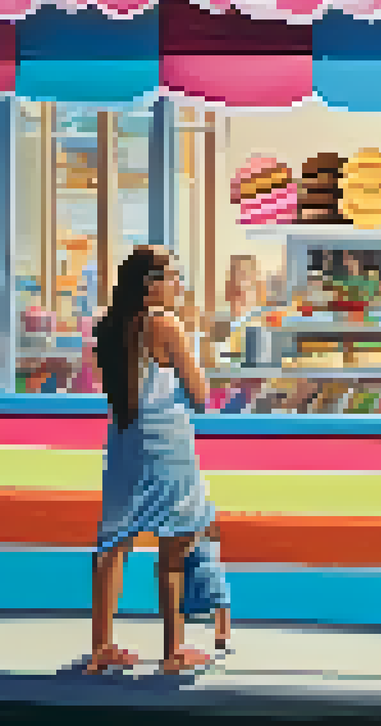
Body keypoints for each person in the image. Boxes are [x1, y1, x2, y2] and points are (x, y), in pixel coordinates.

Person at [87, 246, 227, 674]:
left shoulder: (112, 327)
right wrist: (198, 341)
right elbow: (201, 395)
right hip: (168, 443)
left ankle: (101, 647)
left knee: (114, 542)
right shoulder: (166, 325)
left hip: (126, 440)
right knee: (175, 544)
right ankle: (173, 650)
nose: (179, 286)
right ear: (151, 286)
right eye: (173, 277)